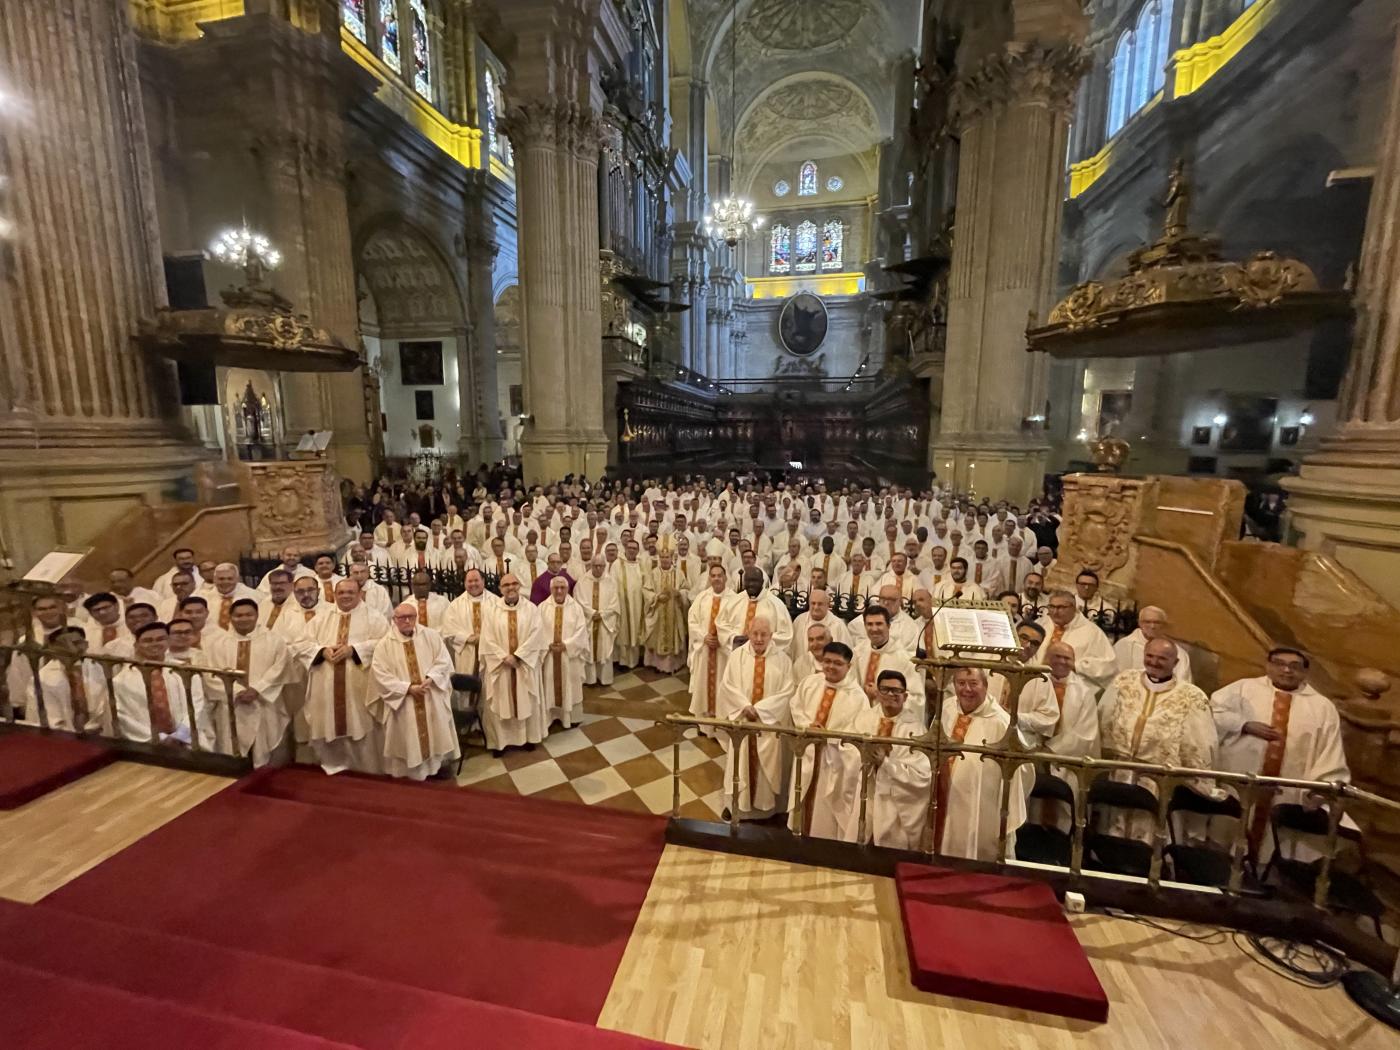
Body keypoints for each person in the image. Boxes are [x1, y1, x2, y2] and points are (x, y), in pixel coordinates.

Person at [1210, 647, 1349, 860]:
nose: (1286, 670)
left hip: (1289, 789)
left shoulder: (1322, 708)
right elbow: (1210, 712)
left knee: (1273, 848)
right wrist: (1243, 724)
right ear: (1268, 666)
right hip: (1240, 782)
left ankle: (1266, 873)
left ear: (1305, 672)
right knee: (1228, 835)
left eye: (1294, 667)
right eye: (1279, 664)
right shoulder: (1242, 689)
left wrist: (1320, 788)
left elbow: (1330, 751)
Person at [1098, 639, 1218, 839]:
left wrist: (1190, 772)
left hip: (1159, 777)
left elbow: (1201, 742)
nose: (1154, 662)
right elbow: (1104, 717)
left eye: (1162, 658)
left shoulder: (1191, 696)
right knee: (1113, 823)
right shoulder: (1124, 681)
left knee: (1150, 830)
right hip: (1119, 769)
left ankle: (1147, 866)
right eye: (1150, 656)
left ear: (1176, 662)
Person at [935, 667, 1031, 861]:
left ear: (986, 686)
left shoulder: (1001, 722)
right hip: (947, 794)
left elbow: (1024, 767)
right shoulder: (947, 707)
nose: (967, 689)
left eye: (973, 683)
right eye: (961, 683)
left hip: (983, 804)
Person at [298, 579, 389, 774]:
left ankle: (366, 769)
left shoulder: (374, 618)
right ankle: (332, 766)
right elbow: (302, 643)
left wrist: (355, 650)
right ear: (334, 595)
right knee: (329, 723)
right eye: (341, 593)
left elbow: (385, 644)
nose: (345, 596)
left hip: (359, 686)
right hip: (326, 686)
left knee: (361, 724)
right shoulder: (321, 618)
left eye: (350, 592)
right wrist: (321, 651)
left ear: (359, 594)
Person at [837, 670, 932, 850]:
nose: (890, 695)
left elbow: (922, 774)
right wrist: (865, 757)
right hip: (866, 789)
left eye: (896, 691)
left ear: (905, 696)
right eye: (885, 690)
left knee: (889, 845)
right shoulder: (864, 718)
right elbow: (847, 748)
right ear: (878, 693)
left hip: (894, 798)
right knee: (857, 836)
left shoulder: (916, 729)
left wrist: (887, 764)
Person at [369, 602, 459, 780]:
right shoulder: (384, 645)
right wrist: (407, 688)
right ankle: (411, 774)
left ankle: (435, 768)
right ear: (394, 620)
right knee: (409, 738)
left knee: (435, 733)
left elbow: (443, 660)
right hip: (404, 702)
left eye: (412, 616)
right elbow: (381, 676)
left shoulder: (431, 636)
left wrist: (431, 678)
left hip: (430, 694)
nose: (407, 621)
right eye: (402, 618)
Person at [720, 617, 795, 821]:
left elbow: (787, 692)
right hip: (743, 722)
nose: (759, 638)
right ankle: (737, 806)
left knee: (766, 768)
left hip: (767, 726)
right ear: (749, 633)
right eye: (755, 633)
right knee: (739, 763)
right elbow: (727, 685)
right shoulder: (737, 656)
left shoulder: (783, 660)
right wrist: (744, 706)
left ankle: (766, 810)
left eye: (764, 634)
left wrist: (760, 710)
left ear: (772, 636)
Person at [790, 642, 867, 838]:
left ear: (849, 667)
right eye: (827, 661)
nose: (831, 667)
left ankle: (822, 841)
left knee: (824, 812)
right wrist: (807, 725)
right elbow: (795, 707)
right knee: (803, 793)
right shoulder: (810, 682)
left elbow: (857, 731)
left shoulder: (858, 697)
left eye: (838, 663)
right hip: (808, 751)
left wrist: (828, 736)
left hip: (833, 760)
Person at [202, 598, 290, 765]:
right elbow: (209, 673)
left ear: (257, 616)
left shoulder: (273, 640)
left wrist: (257, 689)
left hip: (263, 701)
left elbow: (280, 668)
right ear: (230, 617)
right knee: (231, 746)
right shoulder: (216, 643)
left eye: (249, 614)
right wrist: (237, 691)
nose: (243, 619)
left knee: (263, 749)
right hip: (231, 703)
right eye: (238, 615)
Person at [110, 622, 212, 747]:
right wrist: (160, 738)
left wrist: (180, 735)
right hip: (147, 743)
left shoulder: (185, 671)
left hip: (187, 740)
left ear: (168, 641)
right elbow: (123, 717)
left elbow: (197, 704)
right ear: (136, 645)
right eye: (148, 640)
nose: (155, 644)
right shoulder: (121, 681)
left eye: (160, 639)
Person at [478, 573, 548, 753]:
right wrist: (503, 657)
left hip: (523, 665)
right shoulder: (492, 610)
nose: (510, 587)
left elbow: (536, 635)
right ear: (500, 589)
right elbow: (487, 638)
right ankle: (501, 742)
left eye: (514, 583)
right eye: (506, 585)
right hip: (501, 667)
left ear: (519, 586)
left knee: (525, 700)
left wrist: (518, 656)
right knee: (501, 702)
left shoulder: (531, 609)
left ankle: (527, 738)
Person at [24, 625, 107, 733]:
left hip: (101, 733)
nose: (71, 649)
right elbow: (47, 719)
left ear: (86, 644)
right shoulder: (41, 679)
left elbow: (105, 707)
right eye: (64, 645)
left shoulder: (100, 668)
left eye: (77, 643)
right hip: (62, 737)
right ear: (52, 648)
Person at [1034, 589, 1118, 689]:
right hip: (1037, 686)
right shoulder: (1040, 625)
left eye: (1061, 607)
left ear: (1073, 608)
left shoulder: (1092, 632)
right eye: (1052, 607)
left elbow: (1108, 666)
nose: (1055, 612)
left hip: (1073, 690)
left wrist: (1076, 666)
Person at [851, 605, 921, 718]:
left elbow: (917, 699)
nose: (874, 629)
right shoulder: (858, 653)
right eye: (869, 624)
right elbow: (851, 687)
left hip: (890, 719)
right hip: (861, 718)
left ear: (888, 626)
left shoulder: (904, 659)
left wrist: (884, 695)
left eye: (879, 624)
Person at [687, 564, 733, 731]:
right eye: (713, 576)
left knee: (722, 686)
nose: (716, 579)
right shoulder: (702, 597)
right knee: (704, 687)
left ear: (725, 577)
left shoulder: (734, 600)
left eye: (719, 575)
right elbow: (692, 621)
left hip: (723, 654)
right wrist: (704, 637)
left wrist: (722, 639)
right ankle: (705, 726)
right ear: (709, 578)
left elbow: (736, 626)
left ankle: (721, 727)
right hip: (705, 651)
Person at [539, 575, 589, 729]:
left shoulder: (576, 608)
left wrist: (566, 645)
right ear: (550, 589)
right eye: (555, 588)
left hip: (569, 657)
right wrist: (548, 645)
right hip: (549, 656)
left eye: (562, 588)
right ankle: (551, 717)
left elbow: (581, 632)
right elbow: (536, 631)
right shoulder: (542, 607)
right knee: (549, 687)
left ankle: (571, 718)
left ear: (568, 589)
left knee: (570, 686)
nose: (559, 591)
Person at [717, 566, 793, 653]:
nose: (751, 584)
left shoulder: (776, 604)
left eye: (754, 581)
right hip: (738, 655)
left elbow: (786, 635)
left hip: (766, 656)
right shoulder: (735, 601)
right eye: (748, 581)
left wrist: (761, 639)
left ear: (762, 582)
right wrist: (733, 638)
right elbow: (721, 624)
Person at [1114, 605, 1194, 684]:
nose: (1152, 626)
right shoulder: (1124, 645)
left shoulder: (1178, 653)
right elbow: (1116, 677)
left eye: (1157, 622)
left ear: (1164, 625)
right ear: (1140, 623)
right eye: (1147, 622)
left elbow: (1183, 683)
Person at [642, 550, 688, 673]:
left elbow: (685, 589)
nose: (664, 559)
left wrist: (679, 594)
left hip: (674, 611)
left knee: (674, 636)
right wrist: (656, 597)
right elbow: (646, 591)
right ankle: (658, 665)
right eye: (662, 557)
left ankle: (672, 665)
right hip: (658, 610)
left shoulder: (679, 573)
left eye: (667, 557)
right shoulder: (653, 573)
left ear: (671, 558)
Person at [788, 586, 850, 662]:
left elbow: (846, 654)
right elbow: (791, 649)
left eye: (820, 604)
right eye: (813, 603)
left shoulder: (838, 625)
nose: (816, 607)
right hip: (804, 667)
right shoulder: (799, 621)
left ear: (828, 605)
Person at [611, 539, 647, 668]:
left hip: (638, 604)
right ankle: (623, 661)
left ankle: (635, 660)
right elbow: (612, 584)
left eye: (634, 548)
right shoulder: (617, 564)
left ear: (638, 551)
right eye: (629, 547)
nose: (632, 550)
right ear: (625, 549)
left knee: (636, 630)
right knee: (624, 631)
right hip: (622, 604)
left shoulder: (641, 564)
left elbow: (646, 583)